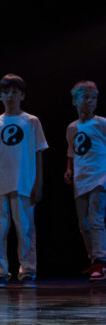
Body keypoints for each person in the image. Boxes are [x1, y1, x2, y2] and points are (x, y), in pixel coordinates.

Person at [0, 74, 48, 286]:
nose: (10, 96)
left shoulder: (32, 122)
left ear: (22, 96)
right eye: (6, 92)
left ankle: (27, 270)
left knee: (25, 228)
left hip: (24, 183)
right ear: (0, 96)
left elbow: (38, 153)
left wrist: (38, 183)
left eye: (15, 92)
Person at [64, 81, 106, 280]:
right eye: (86, 97)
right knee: (83, 224)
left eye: (93, 98)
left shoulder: (101, 123)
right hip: (81, 180)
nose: (90, 101)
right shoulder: (72, 128)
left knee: (96, 218)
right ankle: (94, 260)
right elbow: (72, 151)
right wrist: (69, 169)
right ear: (75, 101)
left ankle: (100, 261)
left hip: (100, 177)